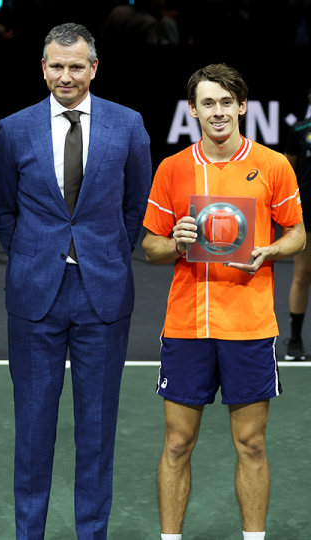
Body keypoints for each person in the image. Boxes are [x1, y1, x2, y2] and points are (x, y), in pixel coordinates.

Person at [0, 22, 152, 540]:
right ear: (42, 68)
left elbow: (136, 205)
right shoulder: (14, 129)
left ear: (94, 68)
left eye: (76, 66)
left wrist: (102, 253)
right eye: (56, 66)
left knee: (97, 432)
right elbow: (3, 208)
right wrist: (37, 256)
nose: (66, 75)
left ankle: (92, 534)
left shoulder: (128, 125)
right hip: (35, 292)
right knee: (33, 432)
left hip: (103, 293)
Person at [143, 63, 304, 540]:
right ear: (192, 110)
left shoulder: (274, 165)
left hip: (249, 325)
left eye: (226, 102)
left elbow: (296, 233)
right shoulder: (172, 169)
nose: (218, 111)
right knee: (176, 443)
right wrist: (175, 242)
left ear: (242, 107)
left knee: (251, 444)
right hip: (187, 326)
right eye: (208, 103)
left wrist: (272, 250)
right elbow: (151, 247)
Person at [283, 87, 311, 360]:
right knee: (302, 275)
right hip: (308, 213)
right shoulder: (301, 129)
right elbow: (289, 173)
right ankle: (294, 341)